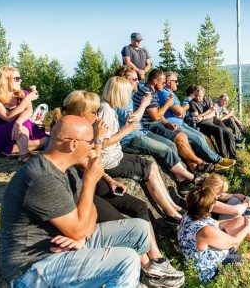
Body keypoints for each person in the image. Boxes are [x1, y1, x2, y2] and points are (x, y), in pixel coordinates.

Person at [51, 90, 185, 285]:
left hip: (94, 181)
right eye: (95, 111)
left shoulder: (82, 130)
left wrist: (109, 179)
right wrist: (98, 139)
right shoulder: (73, 136)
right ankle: (148, 267)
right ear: (83, 114)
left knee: (138, 206)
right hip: (82, 189)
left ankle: (155, 259)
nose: (98, 115)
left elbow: (93, 166)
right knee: (118, 220)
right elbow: (92, 163)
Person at [0, 115, 151, 287]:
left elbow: (90, 213)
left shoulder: (66, 170)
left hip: (65, 249)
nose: (94, 146)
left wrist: (82, 239)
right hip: (33, 268)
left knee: (139, 228)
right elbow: (78, 228)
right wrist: (89, 181)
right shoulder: (41, 176)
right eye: (90, 141)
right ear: (73, 144)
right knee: (126, 260)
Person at [99, 76, 185, 222]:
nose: (127, 97)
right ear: (119, 93)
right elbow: (103, 143)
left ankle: (172, 205)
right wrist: (126, 130)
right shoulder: (105, 110)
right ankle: (170, 213)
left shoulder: (109, 108)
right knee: (148, 173)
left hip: (116, 154)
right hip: (109, 161)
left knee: (151, 165)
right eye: (126, 93)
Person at [114, 66, 195, 183]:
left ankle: (181, 179)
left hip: (141, 131)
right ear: (124, 81)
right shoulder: (121, 99)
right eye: (134, 79)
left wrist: (166, 123)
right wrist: (146, 104)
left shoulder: (130, 97)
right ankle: (191, 176)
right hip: (130, 138)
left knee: (171, 145)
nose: (138, 81)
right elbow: (135, 120)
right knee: (167, 148)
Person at [133, 69, 221, 173]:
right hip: (151, 126)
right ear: (155, 81)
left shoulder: (153, 92)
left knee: (183, 136)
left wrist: (167, 123)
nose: (164, 84)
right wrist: (168, 104)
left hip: (158, 123)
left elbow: (157, 113)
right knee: (179, 138)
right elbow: (156, 117)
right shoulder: (147, 93)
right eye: (163, 82)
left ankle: (194, 168)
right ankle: (200, 162)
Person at [158, 72, 234, 171]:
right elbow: (180, 111)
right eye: (176, 81)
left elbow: (182, 113)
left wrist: (182, 111)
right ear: (168, 82)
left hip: (181, 122)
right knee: (197, 139)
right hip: (174, 124)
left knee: (201, 136)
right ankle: (218, 160)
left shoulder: (172, 94)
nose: (178, 83)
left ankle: (215, 159)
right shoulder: (165, 93)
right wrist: (184, 108)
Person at [0, 66, 48, 162]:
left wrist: (19, 122)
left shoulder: (23, 93)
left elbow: (28, 111)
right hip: (1, 131)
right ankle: (24, 154)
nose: (20, 81)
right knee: (23, 123)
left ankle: (8, 150)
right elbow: (8, 117)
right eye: (16, 79)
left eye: (20, 78)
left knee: (48, 139)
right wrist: (27, 99)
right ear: (5, 80)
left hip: (19, 128)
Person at [190, 85, 237, 160]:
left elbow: (213, 113)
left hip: (212, 121)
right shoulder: (192, 103)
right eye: (195, 95)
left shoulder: (208, 99)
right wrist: (209, 111)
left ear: (203, 94)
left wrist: (202, 116)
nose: (197, 97)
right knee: (218, 130)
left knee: (229, 134)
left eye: (199, 95)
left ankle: (233, 157)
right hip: (203, 125)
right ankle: (222, 154)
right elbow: (196, 118)